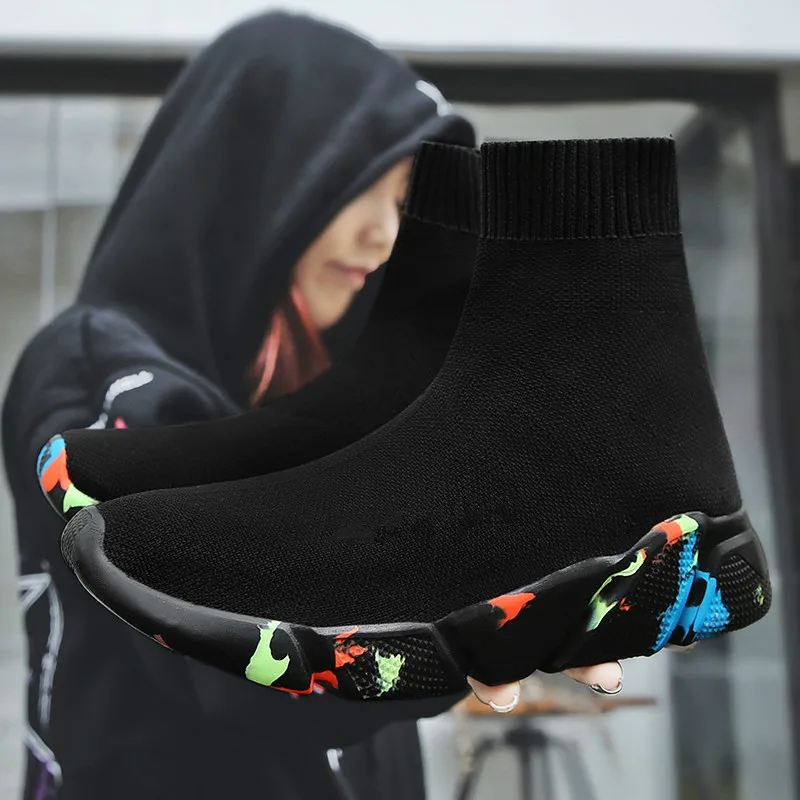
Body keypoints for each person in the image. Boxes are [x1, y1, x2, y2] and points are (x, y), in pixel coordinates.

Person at [2, 11, 622, 800]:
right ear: (268, 168)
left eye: (406, 205)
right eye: (369, 188)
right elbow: (237, 646)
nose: (385, 236)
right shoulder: (101, 373)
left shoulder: (310, 393)